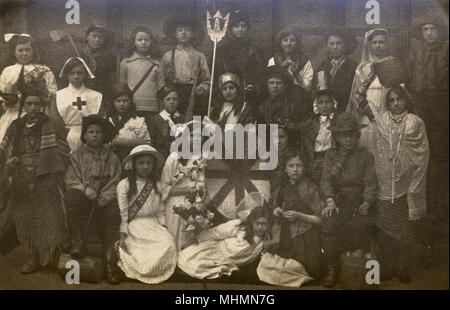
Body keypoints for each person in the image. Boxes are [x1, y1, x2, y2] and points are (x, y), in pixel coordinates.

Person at [0, 81, 69, 274]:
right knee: (25, 218)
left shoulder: (50, 123)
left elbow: (63, 149)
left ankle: (49, 255)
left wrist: (47, 164)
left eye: (36, 104)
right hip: (21, 177)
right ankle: (31, 256)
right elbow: (5, 150)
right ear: (24, 104)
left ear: (42, 105)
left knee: (48, 216)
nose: (32, 108)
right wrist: (11, 161)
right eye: (29, 103)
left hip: (45, 176)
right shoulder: (16, 125)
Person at [371, 85, 429, 283]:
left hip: (406, 184)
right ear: (387, 103)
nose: (395, 104)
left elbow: (422, 156)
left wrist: (412, 179)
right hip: (385, 183)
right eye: (391, 100)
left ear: (406, 100)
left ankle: (403, 266)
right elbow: (375, 146)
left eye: (399, 99)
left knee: (404, 229)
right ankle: (387, 266)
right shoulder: (382, 120)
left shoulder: (415, 122)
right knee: (385, 228)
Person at [320, 112, 378, 288]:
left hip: (359, 202)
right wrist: (330, 200)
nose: (348, 139)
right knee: (329, 223)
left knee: (362, 225)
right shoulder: (331, 155)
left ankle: (367, 275)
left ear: (357, 135)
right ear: (337, 136)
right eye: (343, 135)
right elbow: (325, 180)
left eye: (351, 135)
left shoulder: (366, 156)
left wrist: (367, 202)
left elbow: (370, 183)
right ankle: (333, 267)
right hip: (338, 201)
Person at [64, 115, 122, 284]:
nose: (95, 135)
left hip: (104, 199)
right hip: (84, 197)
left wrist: (105, 196)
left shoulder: (112, 158)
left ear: (104, 136)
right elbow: (71, 179)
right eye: (91, 132)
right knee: (72, 197)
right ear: (84, 135)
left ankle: (110, 262)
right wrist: (85, 188)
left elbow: (116, 181)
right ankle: (78, 242)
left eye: (98, 132)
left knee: (113, 213)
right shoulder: (76, 156)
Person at [257, 151, 323, 287]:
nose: (295, 169)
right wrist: (276, 210)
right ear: (285, 170)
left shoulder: (311, 189)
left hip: (305, 235)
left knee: (294, 267)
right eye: (291, 166)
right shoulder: (282, 189)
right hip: (283, 233)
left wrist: (299, 216)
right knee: (266, 264)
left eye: (298, 165)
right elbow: (272, 207)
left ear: (304, 168)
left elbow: (320, 219)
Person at [116, 145, 177, 284]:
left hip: (153, 224)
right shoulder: (124, 185)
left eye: (149, 163)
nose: (145, 166)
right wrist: (122, 234)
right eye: (141, 163)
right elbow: (123, 214)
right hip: (135, 226)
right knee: (141, 253)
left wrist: (164, 227)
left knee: (168, 244)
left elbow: (161, 211)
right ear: (133, 165)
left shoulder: (157, 184)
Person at [407, 16, 449, 220]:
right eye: (425, 29)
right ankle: (425, 209)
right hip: (421, 110)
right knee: (422, 158)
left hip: (442, 112)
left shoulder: (446, 51)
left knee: (440, 160)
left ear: (440, 31)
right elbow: (411, 80)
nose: (429, 33)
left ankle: (440, 209)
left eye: (433, 29)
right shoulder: (417, 54)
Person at [177, 192, 272, 280]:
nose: (260, 227)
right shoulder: (241, 227)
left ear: (268, 225)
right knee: (186, 260)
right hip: (214, 250)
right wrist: (198, 240)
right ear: (252, 221)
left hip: (227, 261)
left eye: (264, 224)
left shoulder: (264, 241)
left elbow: (260, 260)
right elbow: (218, 232)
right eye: (257, 223)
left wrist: (265, 249)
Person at [347, 28, 406, 155]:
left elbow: (400, 94)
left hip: (389, 117)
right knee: (367, 150)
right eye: (374, 42)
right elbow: (355, 95)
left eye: (381, 42)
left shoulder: (393, 66)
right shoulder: (363, 68)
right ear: (369, 45)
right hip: (367, 117)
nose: (378, 45)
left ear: (387, 43)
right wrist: (367, 111)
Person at [160, 121, 209, 250]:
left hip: (196, 203)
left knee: (192, 240)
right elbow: (163, 188)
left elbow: (203, 184)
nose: (196, 139)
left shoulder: (203, 159)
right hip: (175, 204)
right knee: (175, 239)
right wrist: (186, 190)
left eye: (200, 136)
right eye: (192, 135)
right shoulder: (174, 158)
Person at [0, 34, 57, 141]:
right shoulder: (8, 71)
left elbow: (53, 92)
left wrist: (44, 92)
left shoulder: (43, 69)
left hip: (38, 116)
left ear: (33, 50)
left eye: (28, 50)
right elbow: (2, 94)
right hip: (14, 115)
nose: (24, 54)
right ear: (14, 52)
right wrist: (9, 98)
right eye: (20, 50)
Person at [159, 15, 211, 115]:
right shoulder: (168, 56)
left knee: (194, 125)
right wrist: (165, 94)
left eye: (187, 30)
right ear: (175, 34)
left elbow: (207, 80)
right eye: (179, 30)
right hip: (174, 95)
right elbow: (161, 80)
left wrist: (202, 87)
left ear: (193, 34)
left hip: (194, 95)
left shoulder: (199, 56)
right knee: (175, 124)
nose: (183, 32)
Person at [55, 57, 102, 151]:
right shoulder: (58, 95)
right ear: (67, 75)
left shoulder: (96, 96)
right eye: (72, 73)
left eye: (79, 73)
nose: (76, 76)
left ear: (85, 74)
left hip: (89, 137)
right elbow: (56, 122)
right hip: (66, 137)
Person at [215, 11, 266, 98]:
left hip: (249, 94)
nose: (240, 29)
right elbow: (217, 75)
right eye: (236, 26)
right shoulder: (221, 51)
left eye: (243, 26)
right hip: (228, 94)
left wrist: (255, 87)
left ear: (247, 29)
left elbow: (261, 74)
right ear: (230, 29)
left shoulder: (255, 51)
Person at [299, 81, 338, 185]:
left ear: (333, 104)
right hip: (315, 160)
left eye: (328, 102)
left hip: (332, 159)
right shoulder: (311, 123)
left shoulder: (337, 122)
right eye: (321, 102)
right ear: (316, 105)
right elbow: (306, 146)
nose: (324, 106)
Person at [119, 26, 161, 118]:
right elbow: (122, 87)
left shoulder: (157, 64)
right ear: (134, 42)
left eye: (146, 40)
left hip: (152, 108)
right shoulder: (126, 62)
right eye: (139, 39)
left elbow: (160, 88)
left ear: (151, 42)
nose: (143, 42)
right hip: (132, 107)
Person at [315, 28, 357, 112]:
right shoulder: (322, 66)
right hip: (327, 110)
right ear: (327, 46)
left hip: (348, 108)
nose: (335, 47)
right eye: (332, 44)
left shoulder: (354, 67)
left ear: (345, 45)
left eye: (339, 43)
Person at [106, 83, 151, 161]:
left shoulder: (138, 121)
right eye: (118, 101)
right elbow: (107, 142)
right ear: (113, 102)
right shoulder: (107, 120)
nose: (122, 104)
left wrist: (118, 142)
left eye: (125, 100)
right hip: (111, 159)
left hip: (132, 158)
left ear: (130, 101)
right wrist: (136, 141)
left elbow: (146, 142)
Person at [79, 20, 117, 103]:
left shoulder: (109, 58)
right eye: (94, 36)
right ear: (87, 37)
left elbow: (112, 81)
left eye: (101, 37)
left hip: (102, 96)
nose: (97, 40)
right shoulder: (79, 55)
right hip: (82, 96)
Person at [268, 26, 314, 92]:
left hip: (299, 96)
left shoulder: (305, 61)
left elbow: (307, 87)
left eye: (292, 40)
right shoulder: (273, 61)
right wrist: (281, 69)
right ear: (280, 43)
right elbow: (270, 84)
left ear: (297, 43)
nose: (288, 43)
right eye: (285, 40)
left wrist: (296, 73)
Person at [148, 85, 185, 160]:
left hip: (181, 159)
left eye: (174, 99)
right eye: (168, 99)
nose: (171, 102)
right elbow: (152, 142)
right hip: (162, 158)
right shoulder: (154, 120)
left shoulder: (183, 119)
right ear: (161, 102)